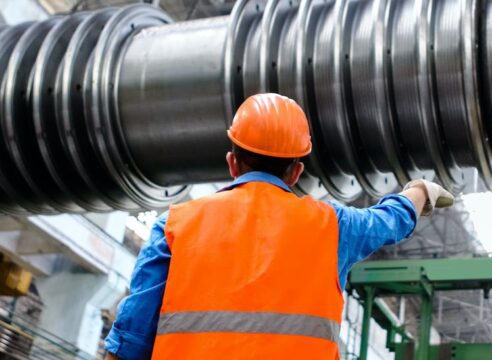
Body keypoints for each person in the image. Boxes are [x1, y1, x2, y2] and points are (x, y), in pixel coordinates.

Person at [104, 93, 453, 359]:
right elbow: (392, 220)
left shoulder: (175, 225)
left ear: (232, 163)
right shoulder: (334, 227)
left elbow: (130, 340)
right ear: (296, 171)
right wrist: (419, 191)